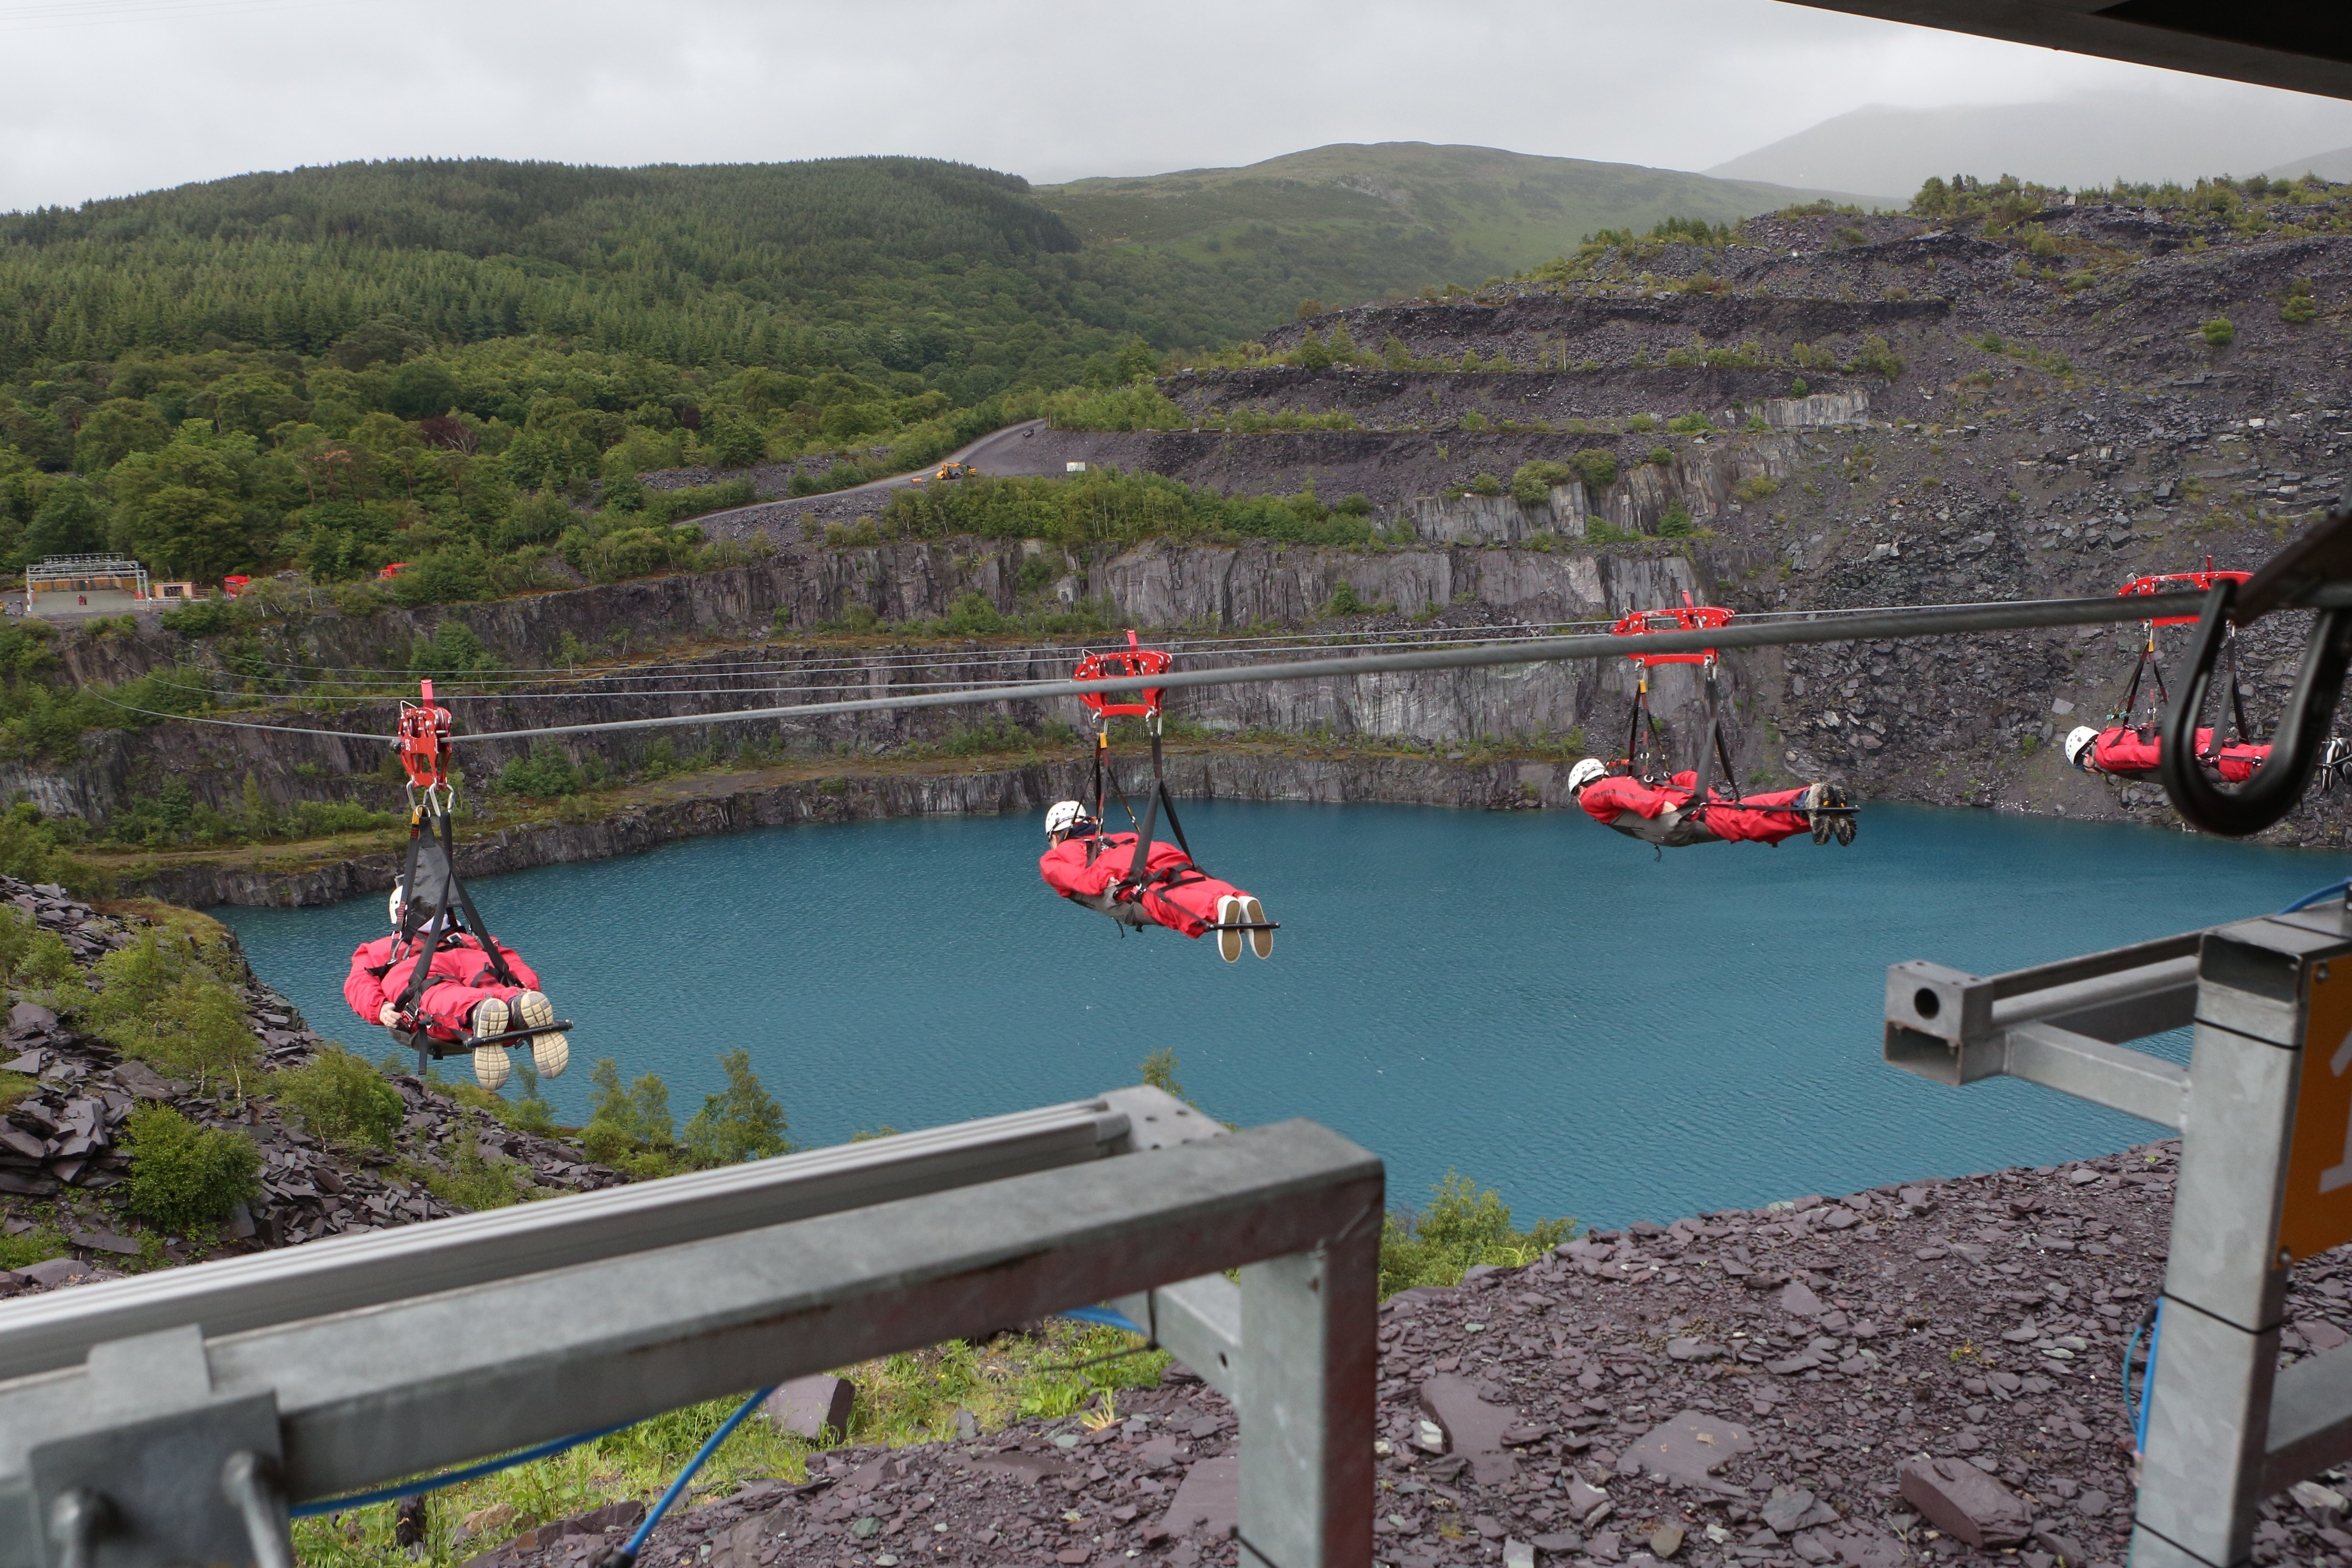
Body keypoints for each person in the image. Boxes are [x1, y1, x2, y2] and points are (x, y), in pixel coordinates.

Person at [344, 882, 569, 1089]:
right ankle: (489, 1009)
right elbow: (359, 983)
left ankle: (513, 1005)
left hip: (456, 965)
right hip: (420, 979)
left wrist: (528, 987)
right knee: (439, 991)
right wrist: (380, 1008)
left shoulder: (469, 941)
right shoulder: (383, 949)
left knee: (484, 977)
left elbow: (508, 961)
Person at [1038, 800, 1272, 961]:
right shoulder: (1117, 837)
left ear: (1056, 836)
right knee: (1187, 878)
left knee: (1161, 899)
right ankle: (1239, 898)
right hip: (1155, 854)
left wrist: (1104, 879)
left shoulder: (1056, 856)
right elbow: (1141, 845)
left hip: (1125, 876)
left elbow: (1074, 877)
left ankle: (1217, 907)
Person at [1566, 757, 1856, 848]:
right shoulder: (1602, 794)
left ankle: (1810, 807)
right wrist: (1660, 804)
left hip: (1682, 819)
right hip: (1684, 816)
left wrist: (1658, 805)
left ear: (1581, 786)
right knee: (1744, 820)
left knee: (1743, 823)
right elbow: (1618, 790)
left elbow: (1617, 790)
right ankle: (1810, 808)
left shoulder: (1591, 796)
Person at [2064, 724, 2268, 783]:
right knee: (2252, 754)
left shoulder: (2104, 756)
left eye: (2083, 767)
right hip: (2191, 736)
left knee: (2251, 765)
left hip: (2189, 751)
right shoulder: (2111, 734)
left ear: (2086, 756)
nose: (2087, 770)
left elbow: (2143, 756)